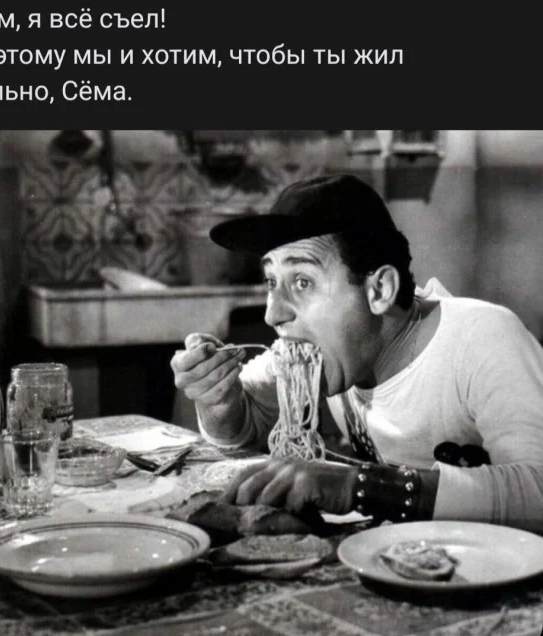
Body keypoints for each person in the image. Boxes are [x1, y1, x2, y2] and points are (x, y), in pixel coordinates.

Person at [170, 173, 543, 533]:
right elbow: (244, 422)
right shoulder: (313, 355)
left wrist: (358, 484)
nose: (273, 314)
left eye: (302, 282)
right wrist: (220, 402)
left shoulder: (480, 338)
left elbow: (538, 491)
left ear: (379, 290)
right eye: (272, 282)